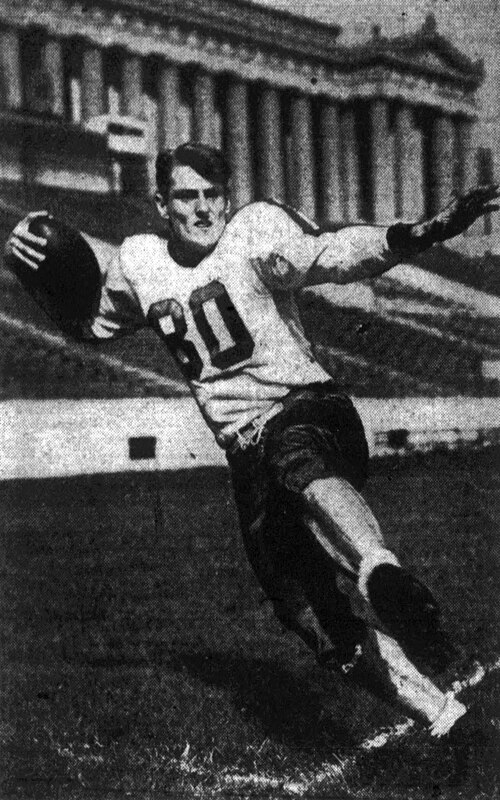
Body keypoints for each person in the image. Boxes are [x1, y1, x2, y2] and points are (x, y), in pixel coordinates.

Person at [6, 142, 499, 774]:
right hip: (247, 452)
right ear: (162, 204)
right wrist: (51, 286)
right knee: (305, 614)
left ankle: (379, 569)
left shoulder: (254, 230)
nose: (205, 207)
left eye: (214, 193)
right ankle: (444, 717)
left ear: (228, 197)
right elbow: (93, 324)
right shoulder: (138, 261)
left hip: (308, 410)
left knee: (296, 463)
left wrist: (425, 231)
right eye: (188, 196)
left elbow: (337, 254)